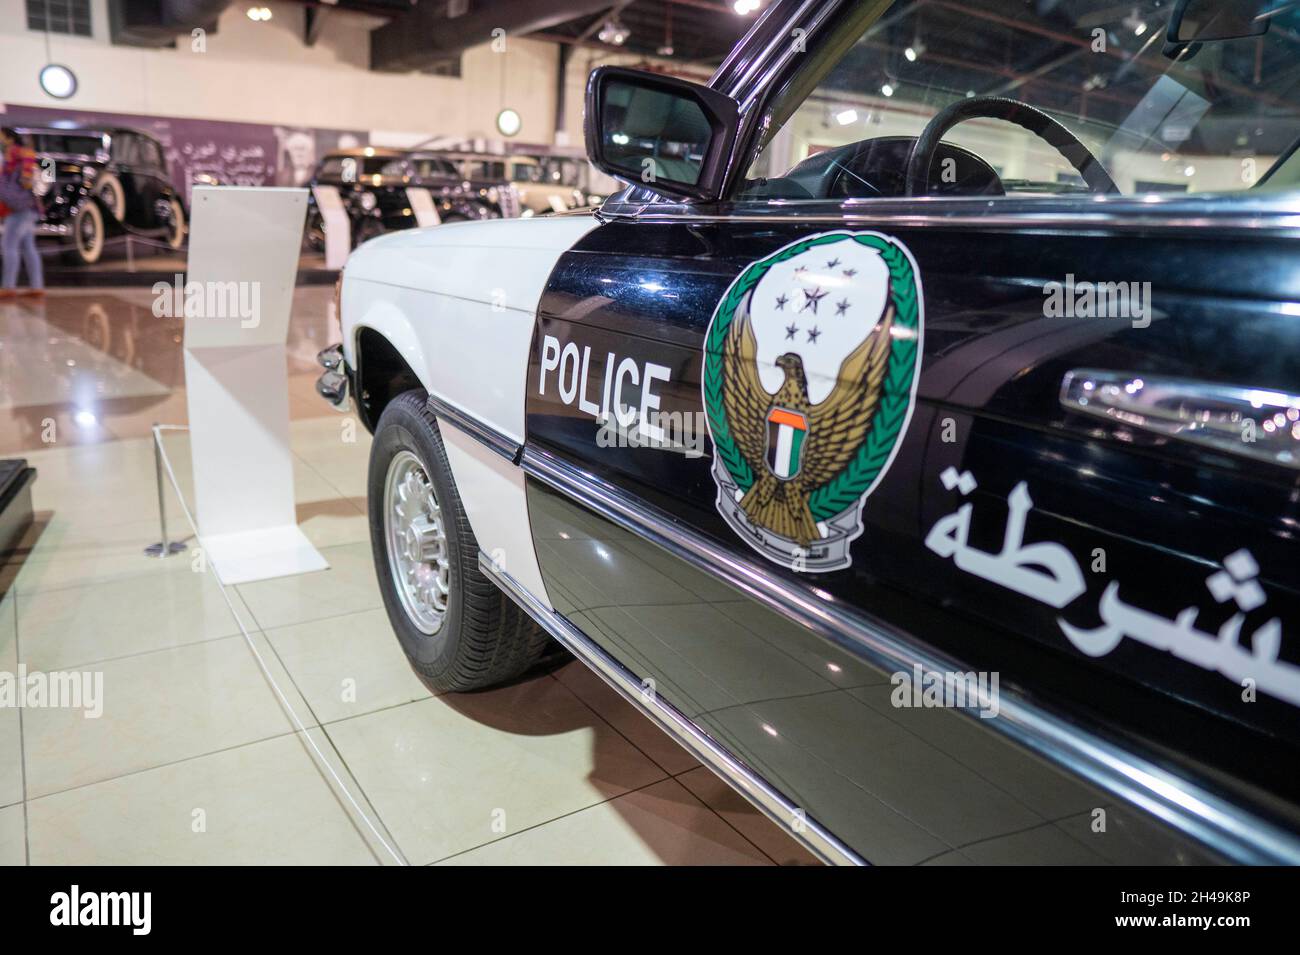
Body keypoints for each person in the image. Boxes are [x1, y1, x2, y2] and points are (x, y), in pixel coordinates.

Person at [0, 126, 45, 299]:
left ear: (10, 139)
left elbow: (27, 170)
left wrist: (25, 178)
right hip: (26, 207)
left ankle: (8, 287)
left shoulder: (15, 154)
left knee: (9, 245)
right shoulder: (11, 157)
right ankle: (36, 287)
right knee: (28, 247)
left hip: (20, 208)